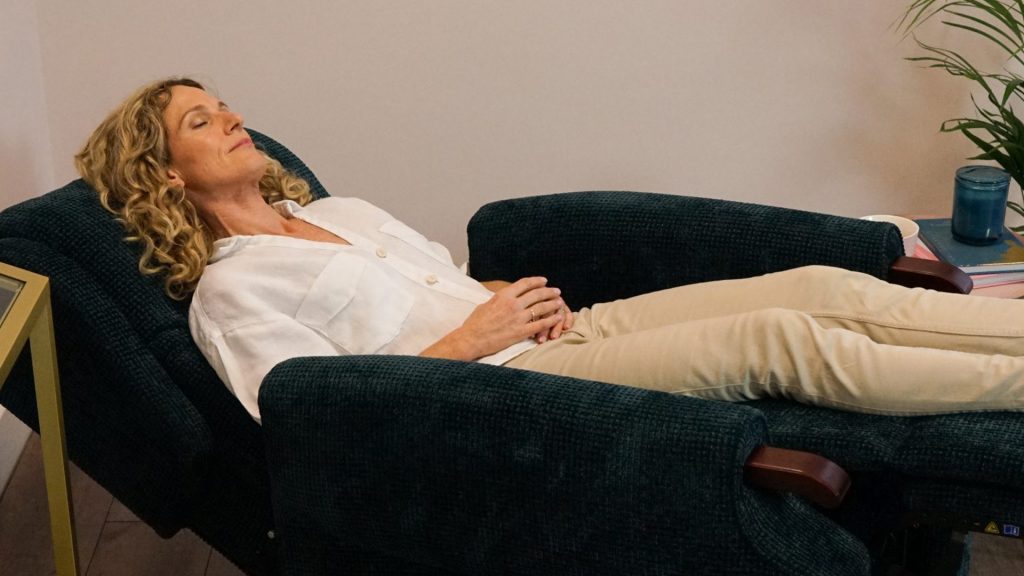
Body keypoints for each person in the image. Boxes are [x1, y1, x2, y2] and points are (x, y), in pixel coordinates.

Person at [75, 77, 1024, 423]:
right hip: (515, 386)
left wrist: (487, 292)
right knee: (785, 340)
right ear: (165, 179)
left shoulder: (341, 211)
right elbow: (308, 412)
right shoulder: (230, 294)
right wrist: (475, 339)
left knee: (817, 281)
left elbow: (430, 282)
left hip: (554, 335)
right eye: (202, 121)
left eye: (225, 103)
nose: (235, 118)